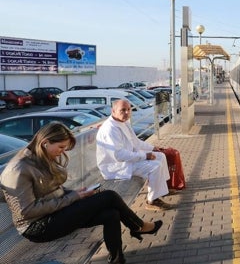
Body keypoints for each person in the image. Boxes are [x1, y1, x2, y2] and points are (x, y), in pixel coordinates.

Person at [0, 122, 162, 264]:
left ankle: (117, 259)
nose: (62, 152)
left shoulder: (40, 157)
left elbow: (52, 191)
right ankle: (138, 226)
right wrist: (73, 197)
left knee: (111, 214)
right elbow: (26, 211)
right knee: (109, 196)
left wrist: (78, 193)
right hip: (37, 226)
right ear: (45, 143)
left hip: (54, 215)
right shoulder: (19, 170)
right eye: (61, 147)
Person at [96, 99, 173, 211]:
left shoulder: (123, 123)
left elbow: (136, 141)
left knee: (160, 156)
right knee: (155, 166)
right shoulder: (110, 129)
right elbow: (119, 155)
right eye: (123, 110)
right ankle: (152, 201)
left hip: (128, 159)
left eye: (129, 109)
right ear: (113, 111)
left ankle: (162, 188)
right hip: (116, 166)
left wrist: (152, 148)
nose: (127, 112)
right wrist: (145, 156)